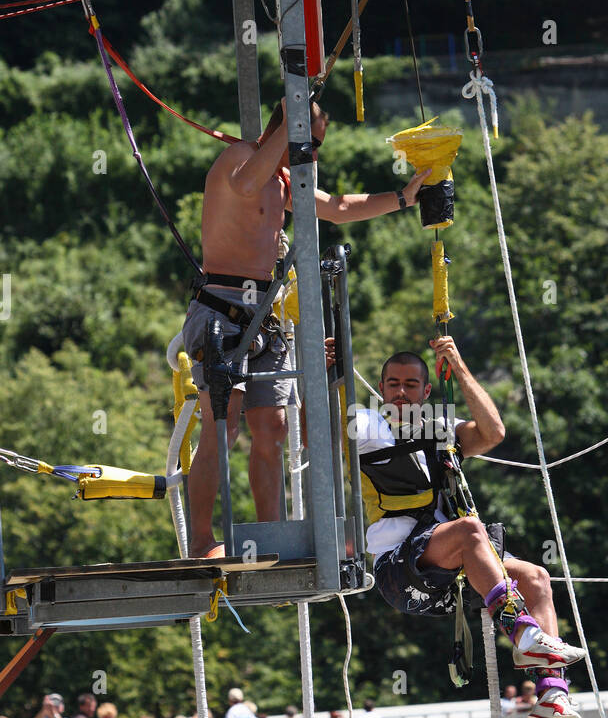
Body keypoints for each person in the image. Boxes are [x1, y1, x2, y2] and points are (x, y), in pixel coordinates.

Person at [180, 97, 432, 558]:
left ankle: (267, 536)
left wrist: (402, 198)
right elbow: (244, 183)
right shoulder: (242, 159)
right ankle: (200, 540)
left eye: (317, 146)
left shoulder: (281, 179)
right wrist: (292, 114)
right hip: (221, 306)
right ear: (287, 129)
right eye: (310, 143)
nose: (313, 156)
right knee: (224, 426)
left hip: (263, 318)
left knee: (273, 428)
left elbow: (335, 208)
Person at [354, 340, 586, 718]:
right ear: (381, 388)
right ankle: (521, 629)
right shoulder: (366, 430)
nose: (399, 392)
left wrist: (458, 366)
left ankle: (551, 694)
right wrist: (330, 374)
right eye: (392, 384)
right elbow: (315, 431)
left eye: (410, 385)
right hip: (399, 570)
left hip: (450, 577)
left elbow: (493, 431)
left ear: (426, 392)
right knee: (469, 531)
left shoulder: (440, 432)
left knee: (536, 578)